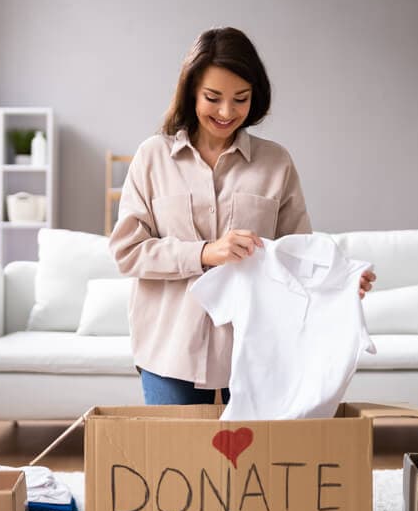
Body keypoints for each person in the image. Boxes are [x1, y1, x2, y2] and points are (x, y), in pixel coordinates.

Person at [109, 26, 375, 406]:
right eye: (213, 98)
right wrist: (204, 253)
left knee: (256, 465)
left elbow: (298, 255)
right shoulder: (152, 156)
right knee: (176, 463)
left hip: (257, 350)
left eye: (240, 99)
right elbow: (127, 251)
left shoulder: (276, 162)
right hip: (170, 350)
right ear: (190, 93)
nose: (226, 112)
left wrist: (342, 283)